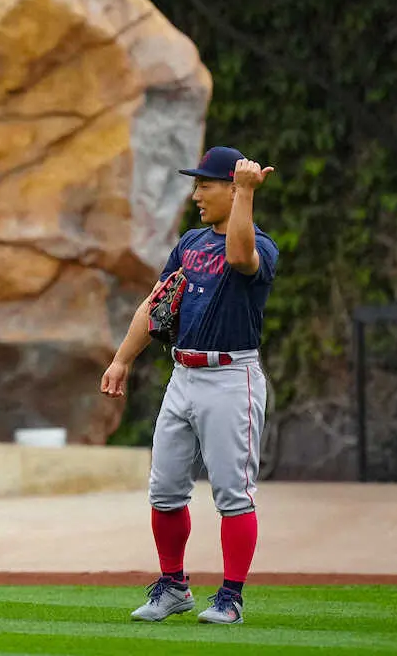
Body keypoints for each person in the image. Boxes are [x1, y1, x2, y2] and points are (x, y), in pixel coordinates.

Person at [100, 145, 278, 625]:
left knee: (232, 494)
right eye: (196, 184)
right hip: (183, 374)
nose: (196, 193)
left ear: (231, 189)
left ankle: (231, 597)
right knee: (164, 489)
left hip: (230, 376)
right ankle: (174, 586)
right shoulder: (191, 243)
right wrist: (121, 361)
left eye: (206, 184)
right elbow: (155, 303)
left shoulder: (260, 245)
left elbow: (240, 257)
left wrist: (245, 193)